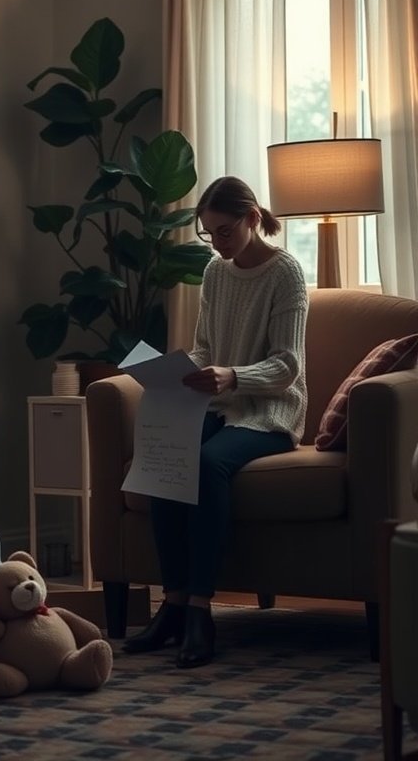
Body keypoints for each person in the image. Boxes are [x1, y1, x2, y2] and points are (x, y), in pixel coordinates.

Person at [123, 175, 308, 668]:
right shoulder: (215, 273)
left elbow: (288, 365)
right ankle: (174, 605)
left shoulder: (285, 273)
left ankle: (201, 612)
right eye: (208, 234)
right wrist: (182, 371)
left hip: (269, 412)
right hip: (218, 403)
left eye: (224, 232)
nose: (217, 243)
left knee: (206, 465)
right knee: (165, 457)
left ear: (251, 219)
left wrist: (233, 376)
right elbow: (205, 346)